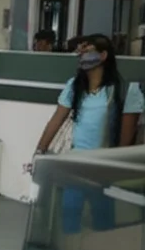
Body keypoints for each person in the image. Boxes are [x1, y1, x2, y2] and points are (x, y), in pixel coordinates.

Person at [35, 34, 143, 233]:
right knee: (69, 215)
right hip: (76, 164)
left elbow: (126, 138)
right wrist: (39, 151)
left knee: (104, 221)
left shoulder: (125, 90)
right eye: (81, 51)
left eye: (88, 51)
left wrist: (117, 169)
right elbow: (55, 122)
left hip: (105, 165)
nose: (82, 55)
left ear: (103, 55)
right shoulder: (74, 86)